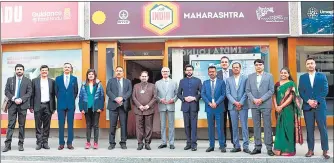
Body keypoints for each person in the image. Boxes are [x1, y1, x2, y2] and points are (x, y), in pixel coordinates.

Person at [298, 57, 330, 159]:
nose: (310, 65)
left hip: (320, 106)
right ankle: (310, 150)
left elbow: (325, 90)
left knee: (323, 128)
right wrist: (308, 101)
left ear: (315, 65)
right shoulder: (302, 77)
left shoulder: (322, 76)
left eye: (312, 63)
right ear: (306, 65)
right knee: (309, 129)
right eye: (308, 64)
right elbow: (301, 91)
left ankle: (325, 150)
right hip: (307, 107)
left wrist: (316, 101)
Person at [245, 59, 275, 156]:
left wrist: (261, 99)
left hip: (265, 104)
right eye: (256, 65)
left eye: (260, 64)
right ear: (255, 66)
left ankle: (269, 148)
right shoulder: (250, 77)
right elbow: (248, 90)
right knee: (256, 126)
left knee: (267, 126)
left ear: (263, 66)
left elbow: (271, 90)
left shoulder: (269, 76)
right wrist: (254, 99)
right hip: (254, 105)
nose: (258, 66)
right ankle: (257, 147)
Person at [272, 67, 303, 156]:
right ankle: (279, 149)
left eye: (285, 73)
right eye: (282, 73)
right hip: (278, 110)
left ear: (288, 74)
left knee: (288, 129)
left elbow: (292, 97)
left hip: (288, 110)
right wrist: (276, 107)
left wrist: (281, 106)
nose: (283, 74)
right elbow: (274, 96)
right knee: (279, 130)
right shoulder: (277, 84)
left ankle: (289, 150)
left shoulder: (291, 84)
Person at [2, 64, 32, 152]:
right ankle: (7, 145)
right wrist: (14, 98)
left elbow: (29, 92)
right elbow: (6, 91)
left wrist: (21, 99)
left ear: (23, 71)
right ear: (15, 70)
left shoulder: (28, 80)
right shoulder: (10, 80)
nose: (19, 70)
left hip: (22, 105)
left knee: (22, 125)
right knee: (10, 125)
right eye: (18, 69)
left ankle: (21, 144)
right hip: (12, 105)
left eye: (21, 69)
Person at [225, 62, 251, 153]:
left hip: (243, 105)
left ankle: (246, 146)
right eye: (234, 67)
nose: (236, 69)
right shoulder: (228, 79)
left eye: (237, 67)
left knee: (244, 126)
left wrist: (241, 102)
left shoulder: (245, 78)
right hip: (232, 106)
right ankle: (236, 146)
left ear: (240, 68)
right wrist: (235, 102)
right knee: (234, 126)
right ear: (232, 69)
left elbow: (247, 91)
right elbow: (227, 93)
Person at [30, 65, 56, 150]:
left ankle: (45, 142)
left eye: (46, 70)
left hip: (48, 105)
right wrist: (31, 106)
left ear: (48, 72)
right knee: (38, 125)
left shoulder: (52, 81)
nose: (44, 71)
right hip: (38, 105)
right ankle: (39, 142)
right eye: (42, 70)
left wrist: (54, 108)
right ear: (40, 71)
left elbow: (53, 95)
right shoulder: (34, 81)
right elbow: (32, 95)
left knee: (47, 125)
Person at [201, 66, 226, 153]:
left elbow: (223, 94)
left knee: (220, 127)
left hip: (219, 108)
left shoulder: (221, 82)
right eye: (210, 72)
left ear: (216, 73)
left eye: (213, 71)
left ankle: (222, 145)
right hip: (209, 108)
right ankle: (211, 146)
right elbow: (203, 94)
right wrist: (209, 103)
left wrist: (216, 103)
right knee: (210, 128)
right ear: (208, 73)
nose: (211, 73)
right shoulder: (205, 83)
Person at [106, 66, 132, 150]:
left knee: (123, 125)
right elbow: (108, 91)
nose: (118, 72)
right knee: (112, 125)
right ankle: (112, 143)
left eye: (120, 71)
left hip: (123, 106)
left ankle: (123, 142)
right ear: (115, 72)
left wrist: (122, 98)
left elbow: (129, 91)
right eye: (117, 71)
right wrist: (115, 98)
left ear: (123, 73)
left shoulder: (127, 81)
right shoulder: (111, 81)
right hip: (113, 105)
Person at [177, 64, 202, 151]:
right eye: (187, 70)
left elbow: (202, 93)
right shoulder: (182, 81)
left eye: (190, 70)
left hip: (194, 106)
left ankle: (194, 144)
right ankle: (188, 143)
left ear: (192, 71)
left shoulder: (198, 81)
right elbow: (178, 94)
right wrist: (184, 98)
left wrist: (195, 98)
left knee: (194, 125)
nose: (189, 71)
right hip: (185, 106)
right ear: (185, 71)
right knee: (187, 125)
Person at [79, 69, 105, 149]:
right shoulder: (83, 84)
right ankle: (88, 142)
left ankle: (96, 143)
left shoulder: (98, 84)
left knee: (96, 125)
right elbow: (81, 97)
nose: (90, 75)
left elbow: (102, 96)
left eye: (92, 74)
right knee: (88, 125)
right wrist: (81, 108)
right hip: (87, 107)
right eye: (89, 74)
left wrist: (100, 107)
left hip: (96, 108)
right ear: (87, 75)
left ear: (94, 76)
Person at [55, 63, 79, 150]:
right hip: (61, 105)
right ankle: (61, 143)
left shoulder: (74, 79)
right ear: (63, 68)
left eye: (68, 67)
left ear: (71, 69)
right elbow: (56, 92)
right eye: (65, 67)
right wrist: (62, 99)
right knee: (61, 125)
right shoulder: (58, 79)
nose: (67, 68)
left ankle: (69, 143)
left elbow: (76, 91)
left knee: (70, 124)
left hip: (71, 105)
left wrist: (70, 99)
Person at [132, 71, 157, 150]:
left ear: (148, 77)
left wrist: (147, 105)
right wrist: (139, 106)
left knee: (148, 127)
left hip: (149, 110)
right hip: (138, 110)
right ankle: (140, 143)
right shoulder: (136, 86)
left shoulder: (152, 86)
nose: (144, 78)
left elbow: (155, 97)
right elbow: (133, 97)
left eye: (145, 76)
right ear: (140, 77)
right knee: (139, 127)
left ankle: (147, 143)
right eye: (142, 76)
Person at [155, 67, 178, 150]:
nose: (165, 73)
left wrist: (174, 100)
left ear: (169, 72)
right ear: (161, 73)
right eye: (164, 71)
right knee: (163, 125)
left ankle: (171, 143)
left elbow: (177, 94)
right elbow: (155, 95)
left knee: (171, 125)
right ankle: (163, 142)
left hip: (171, 105)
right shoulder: (157, 83)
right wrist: (160, 99)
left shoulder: (174, 82)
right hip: (162, 106)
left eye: (167, 71)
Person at [217, 56, 234, 147]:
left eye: (226, 62)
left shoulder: (233, 72)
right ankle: (222, 143)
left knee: (233, 122)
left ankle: (234, 142)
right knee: (222, 122)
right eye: (222, 62)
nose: (224, 63)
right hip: (221, 101)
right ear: (220, 64)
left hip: (231, 101)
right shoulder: (218, 73)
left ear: (229, 63)